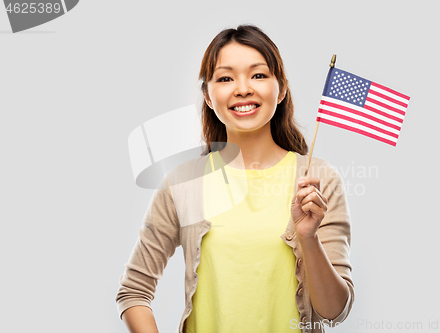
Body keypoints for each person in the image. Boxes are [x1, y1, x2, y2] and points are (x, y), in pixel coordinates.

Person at [116, 24, 354, 333]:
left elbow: (334, 312)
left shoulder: (317, 179)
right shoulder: (183, 183)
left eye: (258, 75)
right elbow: (134, 290)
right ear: (209, 96)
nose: (243, 88)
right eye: (226, 78)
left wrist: (308, 238)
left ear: (280, 89)